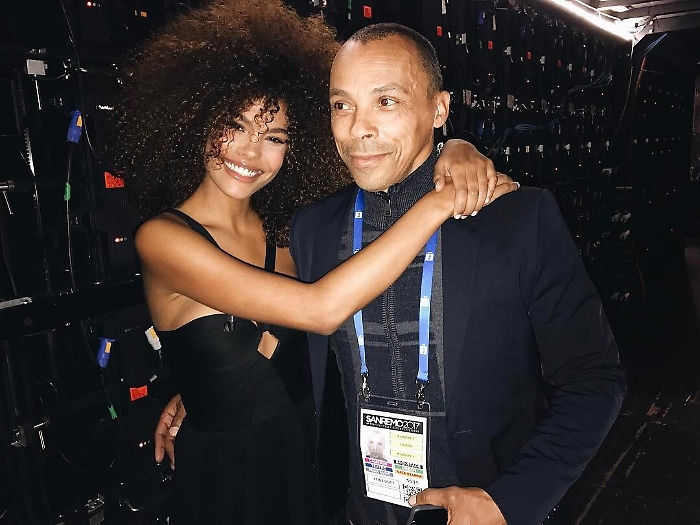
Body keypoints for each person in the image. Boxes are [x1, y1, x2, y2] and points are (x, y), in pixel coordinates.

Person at [119, 2, 518, 524]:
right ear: (196, 118)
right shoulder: (163, 239)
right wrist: (442, 201)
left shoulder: (292, 233)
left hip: (309, 461)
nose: (251, 152)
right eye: (234, 125)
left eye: (275, 137)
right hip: (228, 476)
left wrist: (455, 148)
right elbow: (321, 310)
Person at [288, 23, 628, 525]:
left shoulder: (518, 218)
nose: (358, 129)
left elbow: (593, 378)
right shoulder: (313, 228)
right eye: (342, 105)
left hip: (480, 507)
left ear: (439, 109)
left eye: (386, 101)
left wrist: (509, 502)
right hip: (357, 510)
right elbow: (296, 350)